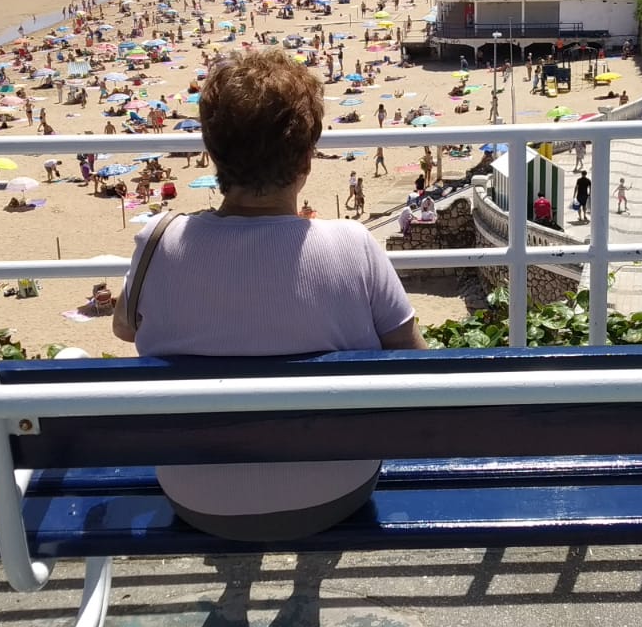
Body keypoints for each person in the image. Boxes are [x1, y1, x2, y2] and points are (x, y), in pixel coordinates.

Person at [111, 47, 422, 543]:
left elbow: (125, 329)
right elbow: (411, 360)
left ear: (212, 153)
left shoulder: (158, 242)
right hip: (338, 490)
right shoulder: (352, 244)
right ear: (306, 156)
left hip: (197, 498)